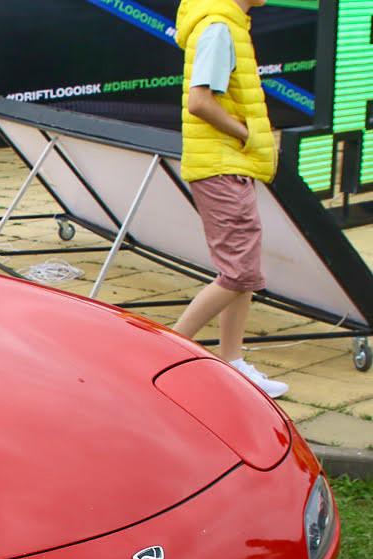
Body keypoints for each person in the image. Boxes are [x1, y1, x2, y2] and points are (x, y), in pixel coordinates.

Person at [171, 0, 286, 398]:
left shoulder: (228, 25)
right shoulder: (219, 28)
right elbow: (200, 101)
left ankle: (233, 362)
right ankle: (165, 352)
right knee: (238, 274)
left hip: (229, 165)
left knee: (244, 271)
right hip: (222, 167)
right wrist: (247, 134)